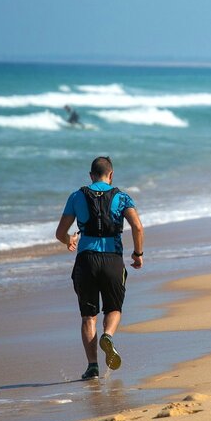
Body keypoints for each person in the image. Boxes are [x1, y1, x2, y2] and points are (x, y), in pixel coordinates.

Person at [56, 156, 144, 380]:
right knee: (114, 308)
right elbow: (137, 227)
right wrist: (137, 254)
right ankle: (108, 336)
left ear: (90, 175)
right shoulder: (122, 197)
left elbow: (59, 233)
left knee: (88, 316)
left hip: (86, 260)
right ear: (111, 175)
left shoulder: (76, 196)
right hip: (112, 259)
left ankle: (92, 366)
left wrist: (70, 240)